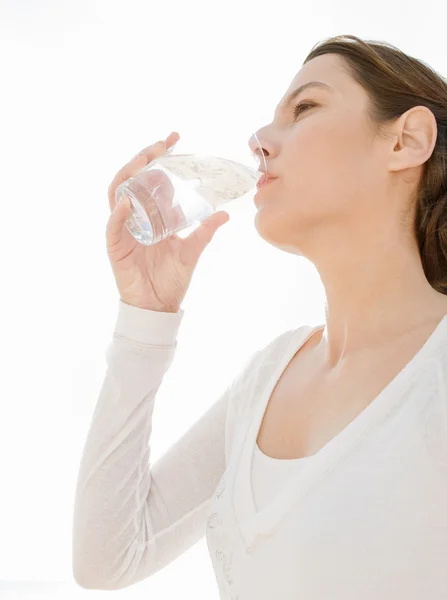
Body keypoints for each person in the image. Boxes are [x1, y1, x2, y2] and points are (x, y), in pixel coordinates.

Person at [72, 34, 447, 598]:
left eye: (305, 107)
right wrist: (145, 317)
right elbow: (108, 558)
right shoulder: (268, 377)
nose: (259, 139)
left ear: (406, 141)